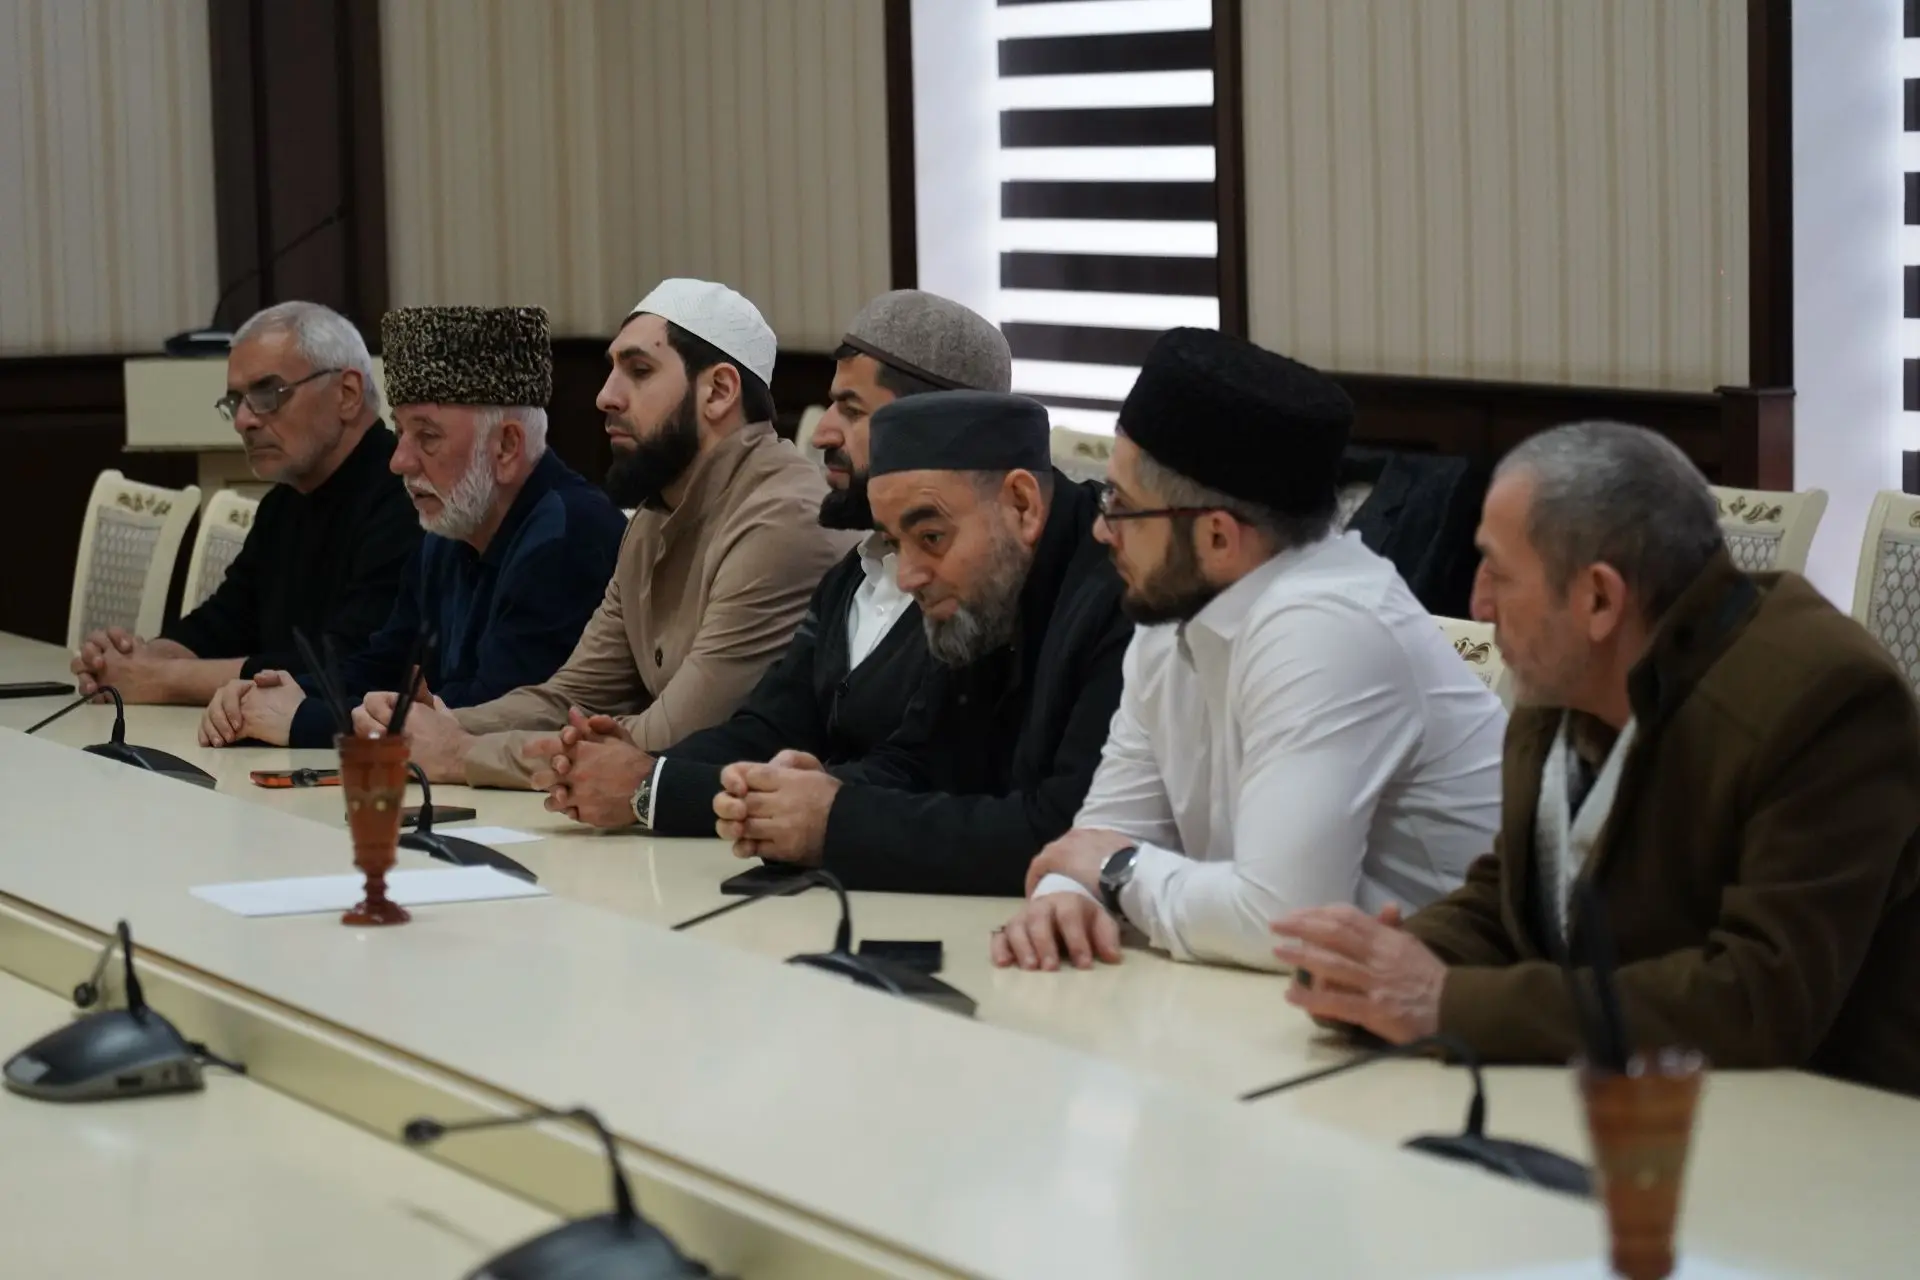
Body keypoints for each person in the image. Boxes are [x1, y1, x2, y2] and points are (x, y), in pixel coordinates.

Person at [1273, 422, 1920, 1096]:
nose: (1478, 604)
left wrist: (1445, 1003)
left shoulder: (1826, 703)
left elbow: (1758, 1000)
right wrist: (1375, 969)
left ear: (1599, 599)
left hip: (1834, 1121)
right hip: (1625, 1096)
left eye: (1498, 572)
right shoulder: (1567, 676)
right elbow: (1517, 897)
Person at [993, 328, 1505, 973]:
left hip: (1462, 1002)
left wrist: (1114, 872)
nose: (1100, 529)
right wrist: (1063, 900)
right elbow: (1106, 830)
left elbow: (1280, 921)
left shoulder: (1329, 628)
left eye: (1121, 505)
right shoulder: (1172, 614)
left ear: (1217, 536)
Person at [530, 288, 1012, 834]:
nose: (822, 432)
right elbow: (770, 725)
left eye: (851, 410)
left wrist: (650, 786)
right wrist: (647, 770)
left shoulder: (984, 588)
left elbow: (913, 774)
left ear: (935, 426)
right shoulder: (854, 575)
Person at [356, 279, 853, 786]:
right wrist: (435, 726)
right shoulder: (654, 518)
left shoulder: (783, 520)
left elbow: (670, 740)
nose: (605, 396)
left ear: (719, 391)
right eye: (611, 370)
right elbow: (573, 696)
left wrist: (462, 755)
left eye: (639, 371)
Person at [703, 390, 1132, 895]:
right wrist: (814, 793)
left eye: (930, 537)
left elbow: (1069, 833)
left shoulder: (1123, 593)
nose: (907, 577)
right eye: (893, 543)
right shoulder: (985, 587)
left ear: (1023, 504)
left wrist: (835, 821)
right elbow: (921, 759)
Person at [196, 305, 625, 749]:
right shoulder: (448, 531)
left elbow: (491, 715)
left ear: (506, 446)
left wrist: (303, 720)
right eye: (399, 432)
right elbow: (384, 664)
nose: (399, 461)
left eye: (427, 437)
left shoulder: (570, 536)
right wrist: (277, 694)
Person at [72, 301, 418, 705]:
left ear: (347, 394)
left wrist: (162, 679)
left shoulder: (406, 499)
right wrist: (135, 659)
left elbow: (352, 663)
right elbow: (224, 623)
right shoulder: (283, 503)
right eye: (236, 401)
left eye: (268, 394)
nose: (243, 421)